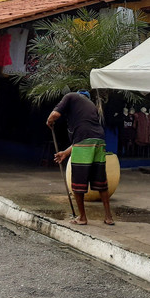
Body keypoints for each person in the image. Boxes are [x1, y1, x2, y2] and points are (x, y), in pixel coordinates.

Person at [46, 90, 114, 226]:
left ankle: (82, 217)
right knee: (101, 180)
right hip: (99, 141)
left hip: (84, 141)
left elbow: (55, 115)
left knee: (78, 180)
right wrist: (65, 153)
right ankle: (108, 217)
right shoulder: (91, 107)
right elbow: (84, 139)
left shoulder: (70, 96)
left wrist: (49, 121)